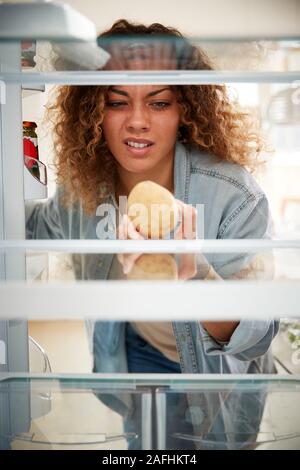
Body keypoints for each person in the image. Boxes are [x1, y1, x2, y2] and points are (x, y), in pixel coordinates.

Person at [26, 19, 278, 449]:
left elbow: (258, 333)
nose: (137, 121)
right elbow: (30, 227)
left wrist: (193, 272)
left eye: (159, 103)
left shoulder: (233, 194)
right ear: (93, 112)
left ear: (185, 110)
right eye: (117, 102)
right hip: (135, 357)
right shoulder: (85, 190)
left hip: (212, 379)